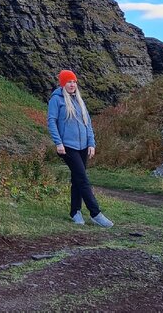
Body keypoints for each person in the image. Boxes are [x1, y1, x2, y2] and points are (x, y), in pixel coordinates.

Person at [47, 69, 113, 227]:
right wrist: (58, 143)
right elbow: (51, 121)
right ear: (63, 83)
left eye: (74, 82)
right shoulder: (57, 100)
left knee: (77, 179)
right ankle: (95, 213)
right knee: (83, 179)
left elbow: (87, 123)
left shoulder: (79, 100)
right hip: (67, 147)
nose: (72, 85)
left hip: (83, 146)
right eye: (69, 82)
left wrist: (92, 143)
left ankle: (75, 212)